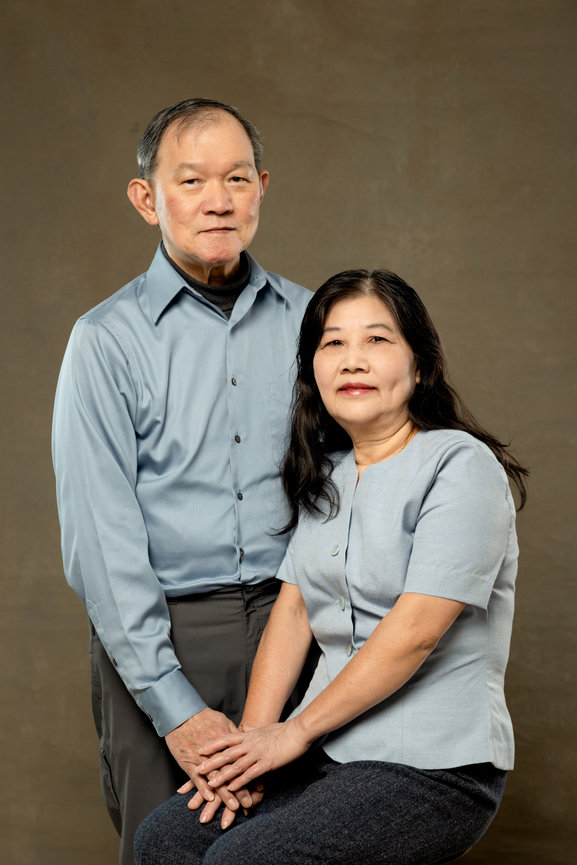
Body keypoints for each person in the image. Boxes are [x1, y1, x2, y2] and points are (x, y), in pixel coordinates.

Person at [134, 269, 528, 865]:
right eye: (332, 343)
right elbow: (293, 612)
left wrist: (292, 734)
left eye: (377, 340)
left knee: (245, 861)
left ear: (420, 366)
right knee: (166, 839)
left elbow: (418, 628)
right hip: (329, 755)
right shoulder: (331, 481)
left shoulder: (459, 465)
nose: (352, 360)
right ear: (313, 374)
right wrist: (249, 748)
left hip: (433, 767)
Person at [51, 98, 312, 864]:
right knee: (166, 845)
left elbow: (338, 490)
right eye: (191, 179)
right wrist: (171, 703)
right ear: (146, 198)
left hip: (292, 628)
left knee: (291, 846)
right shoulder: (104, 341)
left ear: (262, 185)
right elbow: (101, 537)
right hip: (159, 635)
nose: (218, 199)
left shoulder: (313, 322)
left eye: (236, 177)